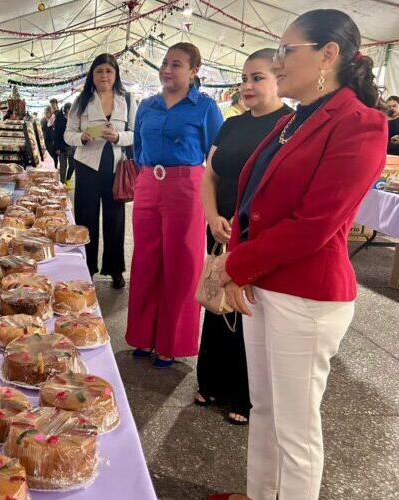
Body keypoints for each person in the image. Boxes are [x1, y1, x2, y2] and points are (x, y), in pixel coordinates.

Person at [208, 9, 387, 500]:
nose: (279, 60)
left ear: (328, 55)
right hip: (266, 282)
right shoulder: (295, 120)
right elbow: (255, 203)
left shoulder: (358, 123)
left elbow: (315, 225)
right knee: (264, 409)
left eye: (288, 50)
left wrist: (234, 266)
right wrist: (243, 268)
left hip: (307, 294)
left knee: (296, 430)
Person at [195, 48, 293, 426]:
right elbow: (210, 175)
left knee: (249, 310)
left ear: (278, 79)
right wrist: (212, 215)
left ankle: (246, 393)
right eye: (245, 78)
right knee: (217, 302)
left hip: (256, 232)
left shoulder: (289, 126)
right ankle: (213, 381)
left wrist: (242, 221)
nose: (248, 85)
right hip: (220, 227)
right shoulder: (231, 124)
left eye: (259, 77)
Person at [126, 42, 223, 368]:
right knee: (145, 259)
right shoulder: (147, 105)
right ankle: (142, 336)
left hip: (187, 186)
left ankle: (171, 341)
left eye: (177, 64)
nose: (167, 69)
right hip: (148, 183)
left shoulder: (205, 107)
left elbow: (216, 154)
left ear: (194, 70)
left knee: (181, 264)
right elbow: (138, 146)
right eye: (165, 63)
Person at [64, 53, 136, 289]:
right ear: (92, 75)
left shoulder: (127, 99)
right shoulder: (81, 100)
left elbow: (135, 133)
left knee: (115, 220)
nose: (104, 76)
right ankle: (86, 267)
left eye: (109, 71)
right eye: (99, 71)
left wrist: (118, 136)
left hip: (116, 167)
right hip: (87, 166)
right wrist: (82, 137)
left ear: (115, 74)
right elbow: (68, 133)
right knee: (86, 218)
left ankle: (115, 269)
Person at [53, 102, 75, 185]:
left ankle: (68, 179)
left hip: (71, 147)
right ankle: (62, 184)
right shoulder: (59, 119)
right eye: (71, 109)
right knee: (63, 166)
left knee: (72, 165)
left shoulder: (73, 120)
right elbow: (56, 134)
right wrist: (57, 147)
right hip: (61, 146)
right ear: (66, 110)